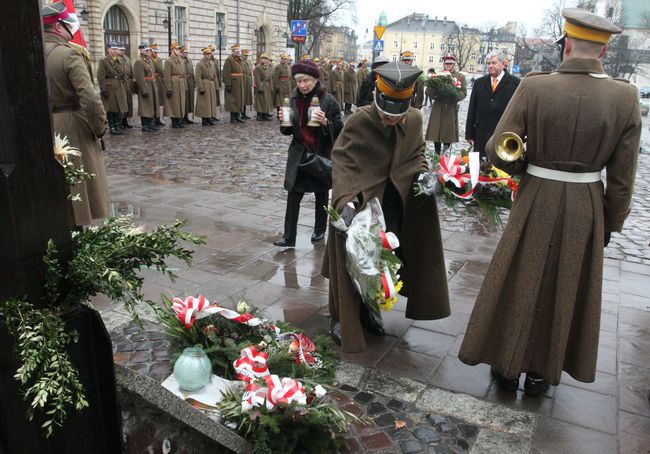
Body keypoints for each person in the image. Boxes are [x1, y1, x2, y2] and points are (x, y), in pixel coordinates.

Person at [458, 8, 641, 397]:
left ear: (567, 45)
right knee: (566, 283)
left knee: (519, 279)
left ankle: (508, 366)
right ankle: (543, 372)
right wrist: (609, 222)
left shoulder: (535, 86)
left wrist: (524, 162)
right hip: (587, 203)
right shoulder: (625, 97)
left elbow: (497, 149)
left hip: (537, 194)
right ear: (604, 53)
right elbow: (623, 179)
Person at [322, 61, 451, 352]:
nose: (390, 120)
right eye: (385, 114)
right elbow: (342, 161)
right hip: (360, 201)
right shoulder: (359, 121)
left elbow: (416, 154)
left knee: (380, 263)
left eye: (398, 115)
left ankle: (369, 308)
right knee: (351, 260)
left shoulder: (416, 119)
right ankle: (340, 316)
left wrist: (424, 175)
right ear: (377, 100)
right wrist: (345, 202)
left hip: (395, 202)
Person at [42, 2, 109, 227]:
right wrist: (100, 127)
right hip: (72, 124)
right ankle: (77, 227)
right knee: (78, 180)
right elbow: (89, 97)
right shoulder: (68, 54)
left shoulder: (31, 52)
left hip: (47, 124)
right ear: (58, 27)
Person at [273, 61, 343, 248]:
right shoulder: (293, 100)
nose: (302, 85)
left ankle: (320, 230)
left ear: (315, 80)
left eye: (306, 81)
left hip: (320, 152)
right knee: (293, 194)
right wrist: (283, 122)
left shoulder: (328, 100)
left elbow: (339, 128)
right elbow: (287, 132)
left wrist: (325, 121)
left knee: (321, 193)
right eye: (299, 81)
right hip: (299, 153)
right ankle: (289, 237)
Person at [465, 51, 520, 160]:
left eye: (493, 63)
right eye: (488, 63)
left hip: (502, 135)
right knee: (480, 168)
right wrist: (469, 133)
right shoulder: (479, 83)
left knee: (500, 170)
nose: (490, 66)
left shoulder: (515, 83)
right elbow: (472, 109)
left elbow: (517, 111)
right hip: (481, 134)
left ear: (503, 64)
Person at [425, 53, 467, 154]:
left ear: (454, 64)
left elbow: (464, 92)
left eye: (450, 63)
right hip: (438, 107)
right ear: (444, 64)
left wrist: (454, 95)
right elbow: (428, 91)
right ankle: (437, 152)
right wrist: (435, 93)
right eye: (446, 63)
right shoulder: (437, 75)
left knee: (448, 131)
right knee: (436, 131)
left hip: (450, 107)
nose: (448, 65)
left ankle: (446, 152)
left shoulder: (460, 76)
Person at [97, 42, 128, 135]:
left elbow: (123, 73)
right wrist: (103, 89)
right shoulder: (104, 61)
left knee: (119, 107)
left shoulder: (120, 60)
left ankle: (118, 125)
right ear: (109, 49)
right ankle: (112, 127)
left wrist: (123, 80)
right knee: (111, 108)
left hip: (119, 86)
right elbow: (100, 76)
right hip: (109, 87)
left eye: (116, 49)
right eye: (113, 49)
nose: (115, 51)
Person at [132, 42, 160, 132]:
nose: (148, 51)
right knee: (145, 106)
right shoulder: (139, 62)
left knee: (151, 105)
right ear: (141, 50)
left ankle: (150, 123)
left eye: (148, 50)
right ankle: (145, 125)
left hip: (151, 84)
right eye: (146, 50)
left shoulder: (149, 60)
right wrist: (144, 89)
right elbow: (139, 77)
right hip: (146, 85)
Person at [163, 42, 188, 128]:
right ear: (172, 50)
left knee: (181, 103)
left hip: (180, 83)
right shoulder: (168, 61)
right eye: (176, 49)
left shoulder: (181, 60)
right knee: (174, 103)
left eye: (179, 49)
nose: (178, 51)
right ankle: (174, 121)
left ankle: (180, 120)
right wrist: (168, 88)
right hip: (173, 84)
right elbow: (166, 75)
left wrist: (185, 85)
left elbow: (184, 74)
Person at [194, 46, 219, 126]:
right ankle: (204, 119)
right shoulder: (200, 64)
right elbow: (198, 77)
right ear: (204, 54)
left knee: (211, 103)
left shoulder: (212, 63)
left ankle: (210, 118)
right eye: (207, 54)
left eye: (209, 54)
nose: (209, 55)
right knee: (205, 104)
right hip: (204, 85)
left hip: (211, 85)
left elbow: (215, 75)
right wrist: (201, 87)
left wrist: (216, 85)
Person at [117, 43, 134, 129]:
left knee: (128, 102)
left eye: (123, 50)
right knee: (121, 103)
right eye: (121, 50)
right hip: (121, 83)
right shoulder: (116, 59)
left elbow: (131, 71)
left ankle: (125, 120)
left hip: (127, 83)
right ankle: (119, 121)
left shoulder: (127, 58)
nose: (123, 51)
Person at [149, 43, 166, 126]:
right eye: (154, 52)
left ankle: (157, 118)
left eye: (156, 52)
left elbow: (161, 70)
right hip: (153, 81)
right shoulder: (149, 59)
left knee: (158, 101)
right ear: (151, 52)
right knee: (153, 101)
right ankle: (152, 118)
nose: (156, 53)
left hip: (159, 82)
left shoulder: (159, 59)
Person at [253, 54, 273, 121]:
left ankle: (265, 114)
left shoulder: (268, 66)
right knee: (260, 101)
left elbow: (270, 78)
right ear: (260, 59)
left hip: (267, 85)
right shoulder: (258, 67)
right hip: (261, 85)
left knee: (266, 101)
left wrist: (271, 87)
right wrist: (259, 87)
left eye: (266, 59)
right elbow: (257, 79)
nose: (264, 60)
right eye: (263, 58)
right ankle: (259, 115)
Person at [273, 53, 292, 119]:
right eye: (284, 59)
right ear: (281, 60)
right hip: (281, 85)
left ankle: (285, 112)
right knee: (280, 100)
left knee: (287, 100)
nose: (286, 60)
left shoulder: (288, 67)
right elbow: (275, 78)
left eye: (287, 59)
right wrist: (277, 87)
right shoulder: (278, 67)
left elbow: (290, 77)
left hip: (287, 85)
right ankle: (279, 113)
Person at [181, 46, 196, 124]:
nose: (186, 54)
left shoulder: (189, 60)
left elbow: (192, 72)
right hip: (184, 81)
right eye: (185, 52)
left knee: (189, 100)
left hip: (190, 82)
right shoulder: (180, 60)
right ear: (182, 52)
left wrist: (194, 82)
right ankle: (182, 117)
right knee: (184, 100)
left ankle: (186, 117)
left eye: (187, 52)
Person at [241, 50, 254, 120]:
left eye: (247, 55)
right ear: (242, 55)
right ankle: (242, 113)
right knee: (243, 99)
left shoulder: (248, 62)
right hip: (243, 81)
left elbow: (250, 72)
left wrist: (251, 81)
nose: (246, 57)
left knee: (246, 99)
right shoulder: (241, 62)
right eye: (244, 55)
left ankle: (244, 113)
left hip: (248, 81)